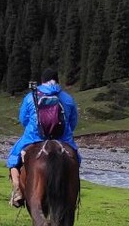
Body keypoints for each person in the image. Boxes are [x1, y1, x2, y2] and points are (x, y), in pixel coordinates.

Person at [7, 67, 80, 207]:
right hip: (62, 138)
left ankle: (18, 191)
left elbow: (23, 119)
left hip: (34, 136)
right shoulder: (67, 98)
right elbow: (73, 122)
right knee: (76, 159)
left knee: (13, 158)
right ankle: (72, 194)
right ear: (57, 81)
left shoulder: (31, 96)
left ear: (42, 81)